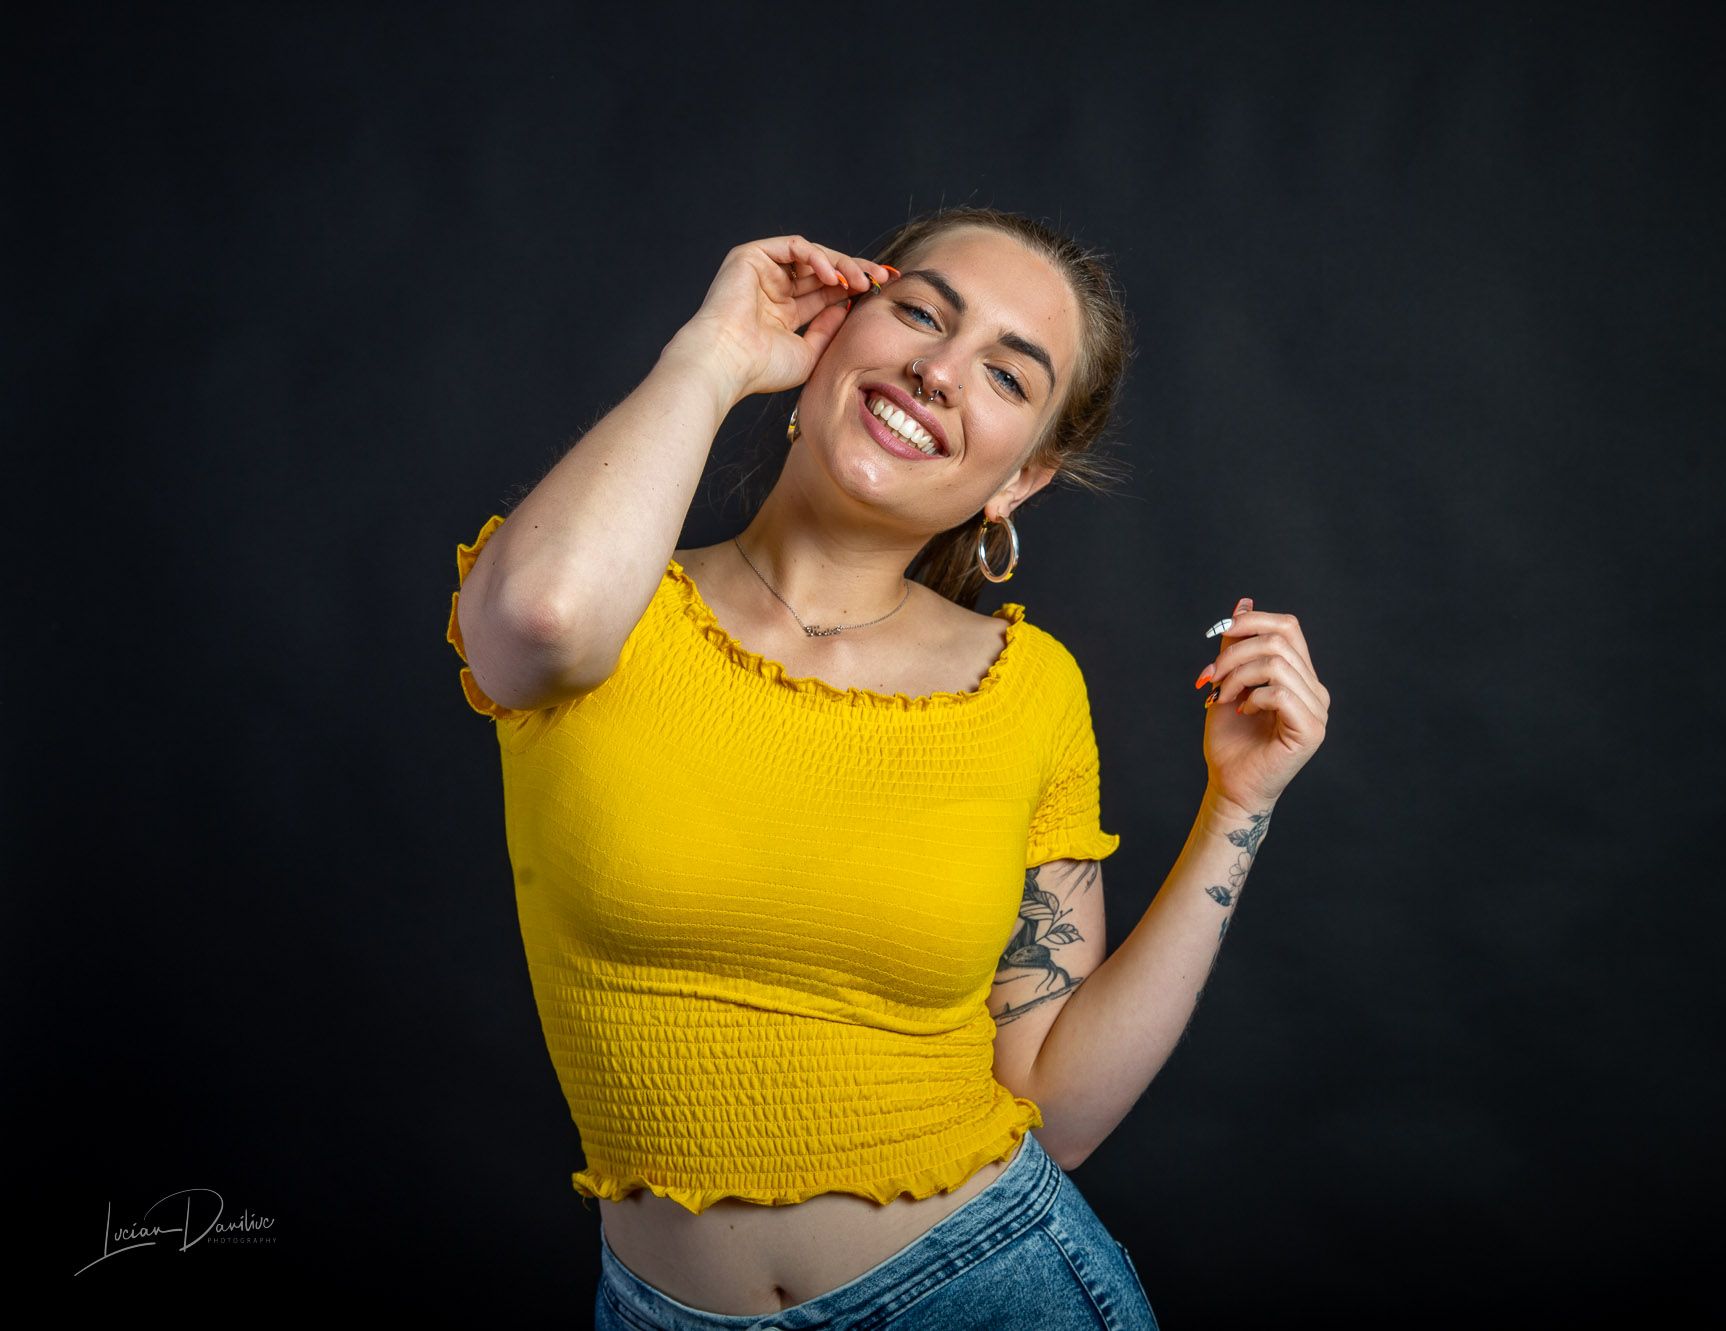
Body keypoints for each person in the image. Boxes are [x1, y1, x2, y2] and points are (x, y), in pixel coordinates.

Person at [445, 207, 1330, 1329]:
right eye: (919, 313)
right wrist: (713, 353)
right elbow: (540, 617)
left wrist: (1237, 806)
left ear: (1022, 478)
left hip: (992, 1286)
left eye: (1006, 375)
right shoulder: (609, 610)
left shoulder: (1026, 687)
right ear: (830, 330)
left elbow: (1053, 1109)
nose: (939, 371)